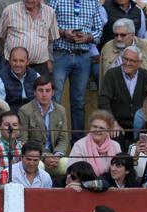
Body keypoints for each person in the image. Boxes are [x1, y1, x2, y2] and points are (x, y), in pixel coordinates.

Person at [49, 0, 102, 142]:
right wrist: (64, 33)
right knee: (55, 100)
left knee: (79, 102)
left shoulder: (93, 2)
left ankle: (77, 144)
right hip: (60, 53)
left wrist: (88, 37)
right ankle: (54, 141)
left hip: (83, 56)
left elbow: (98, 30)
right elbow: (48, 25)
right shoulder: (56, 1)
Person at [99, 46, 147, 144]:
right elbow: (104, 101)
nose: (127, 63)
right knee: (116, 140)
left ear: (140, 62)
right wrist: (112, 122)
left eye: (132, 60)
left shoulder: (145, 76)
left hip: (141, 125)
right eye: (125, 59)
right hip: (117, 124)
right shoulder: (112, 74)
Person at [18, 75, 69, 176]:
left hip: (55, 156)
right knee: (39, 165)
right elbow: (24, 141)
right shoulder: (24, 111)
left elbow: (64, 139)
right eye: (40, 90)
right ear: (34, 92)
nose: (44, 94)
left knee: (67, 164)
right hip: (35, 157)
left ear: (53, 93)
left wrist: (57, 156)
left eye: (47, 90)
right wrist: (44, 157)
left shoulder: (60, 110)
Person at [0, 0, 59, 76]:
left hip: (39, 66)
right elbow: (0, 37)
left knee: (39, 87)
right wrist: (11, 53)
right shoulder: (9, 10)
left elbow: (51, 39)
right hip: (14, 66)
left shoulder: (50, 12)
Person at [99, 18, 147, 86]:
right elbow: (103, 79)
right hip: (115, 89)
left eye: (123, 35)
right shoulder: (108, 47)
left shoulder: (146, 46)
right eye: (116, 35)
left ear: (132, 35)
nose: (119, 38)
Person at [68, 110, 121, 177]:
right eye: (95, 126)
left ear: (108, 130)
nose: (97, 130)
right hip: (85, 184)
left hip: (110, 185)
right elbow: (73, 171)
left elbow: (120, 170)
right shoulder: (79, 145)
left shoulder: (115, 146)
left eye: (101, 128)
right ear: (90, 127)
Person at [0, 47, 40, 113]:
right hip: (11, 115)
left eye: (21, 61)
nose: (18, 64)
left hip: (32, 114)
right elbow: (0, 107)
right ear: (9, 61)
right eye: (14, 60)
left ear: (27, 62)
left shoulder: (36, 76)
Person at [0, 111, 23, 182]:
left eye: (15, 125)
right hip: (3, 186)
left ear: (19, 127)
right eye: (7, 125)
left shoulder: (24, 147)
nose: (11, 128)